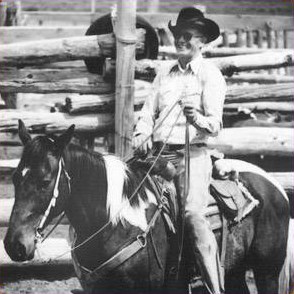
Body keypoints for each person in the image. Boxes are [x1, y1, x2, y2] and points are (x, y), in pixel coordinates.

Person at [132, 7, 226, 294]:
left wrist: (195, 117)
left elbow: (215, 125)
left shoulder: (210, 75)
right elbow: (148, 112)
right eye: (178, 35)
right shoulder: (164, 74)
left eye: (187, 36)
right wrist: (142, 134)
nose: (181, 41)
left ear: (201, 41)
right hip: (158, 157)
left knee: (191, 217)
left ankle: (213, 286)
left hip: (192, 157)